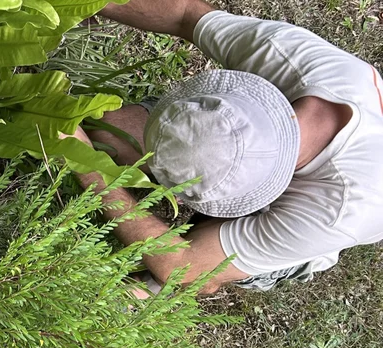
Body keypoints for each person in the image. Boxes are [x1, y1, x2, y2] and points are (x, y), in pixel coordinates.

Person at [71, 0, 383, 295]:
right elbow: (185, 14)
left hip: (320, 217)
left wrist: (88, 169)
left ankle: (166, 283)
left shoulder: (336, 212)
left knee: (184, 274)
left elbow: (179, 266)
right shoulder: (287, 57)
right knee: (108, 134)